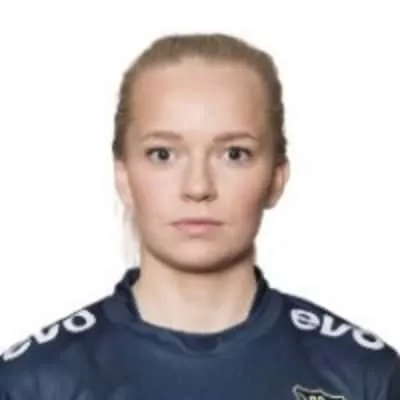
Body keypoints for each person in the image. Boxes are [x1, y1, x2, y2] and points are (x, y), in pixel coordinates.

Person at [0, 33, 399, 400]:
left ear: (276, 178)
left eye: (234, 154)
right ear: (124, 176)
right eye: (162, 154)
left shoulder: (365, 376)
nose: (197, 187)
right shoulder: (33, 383)